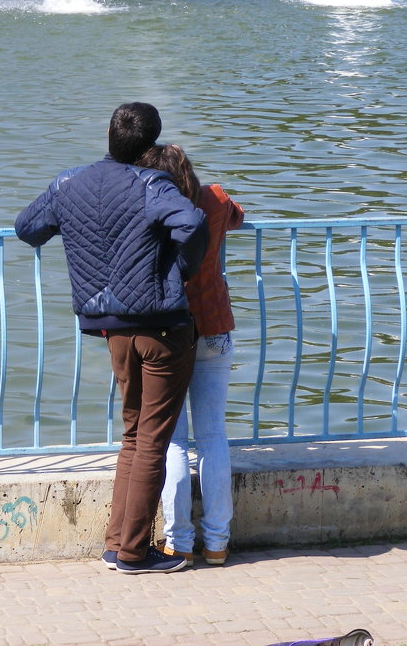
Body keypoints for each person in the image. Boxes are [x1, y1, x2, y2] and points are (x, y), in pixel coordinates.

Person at [14, 102, 209, 575]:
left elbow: (27, 228)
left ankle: (117, 545)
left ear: (110, 137)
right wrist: (177, 270)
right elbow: (193, 224)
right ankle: (135, 553)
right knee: (152, 443)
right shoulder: (151, 183)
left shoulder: (68, 183)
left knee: (132, 436)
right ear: (153, 143)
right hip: (162, 328)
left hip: (112, 330)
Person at [135, 144, 244, 567]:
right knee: (213, 437)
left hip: (168, 330)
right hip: (215, 325)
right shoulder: (213, 199)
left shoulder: (150, 204)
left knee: (174, 440)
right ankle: (217, 542)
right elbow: (236, 213)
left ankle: (178, 542)